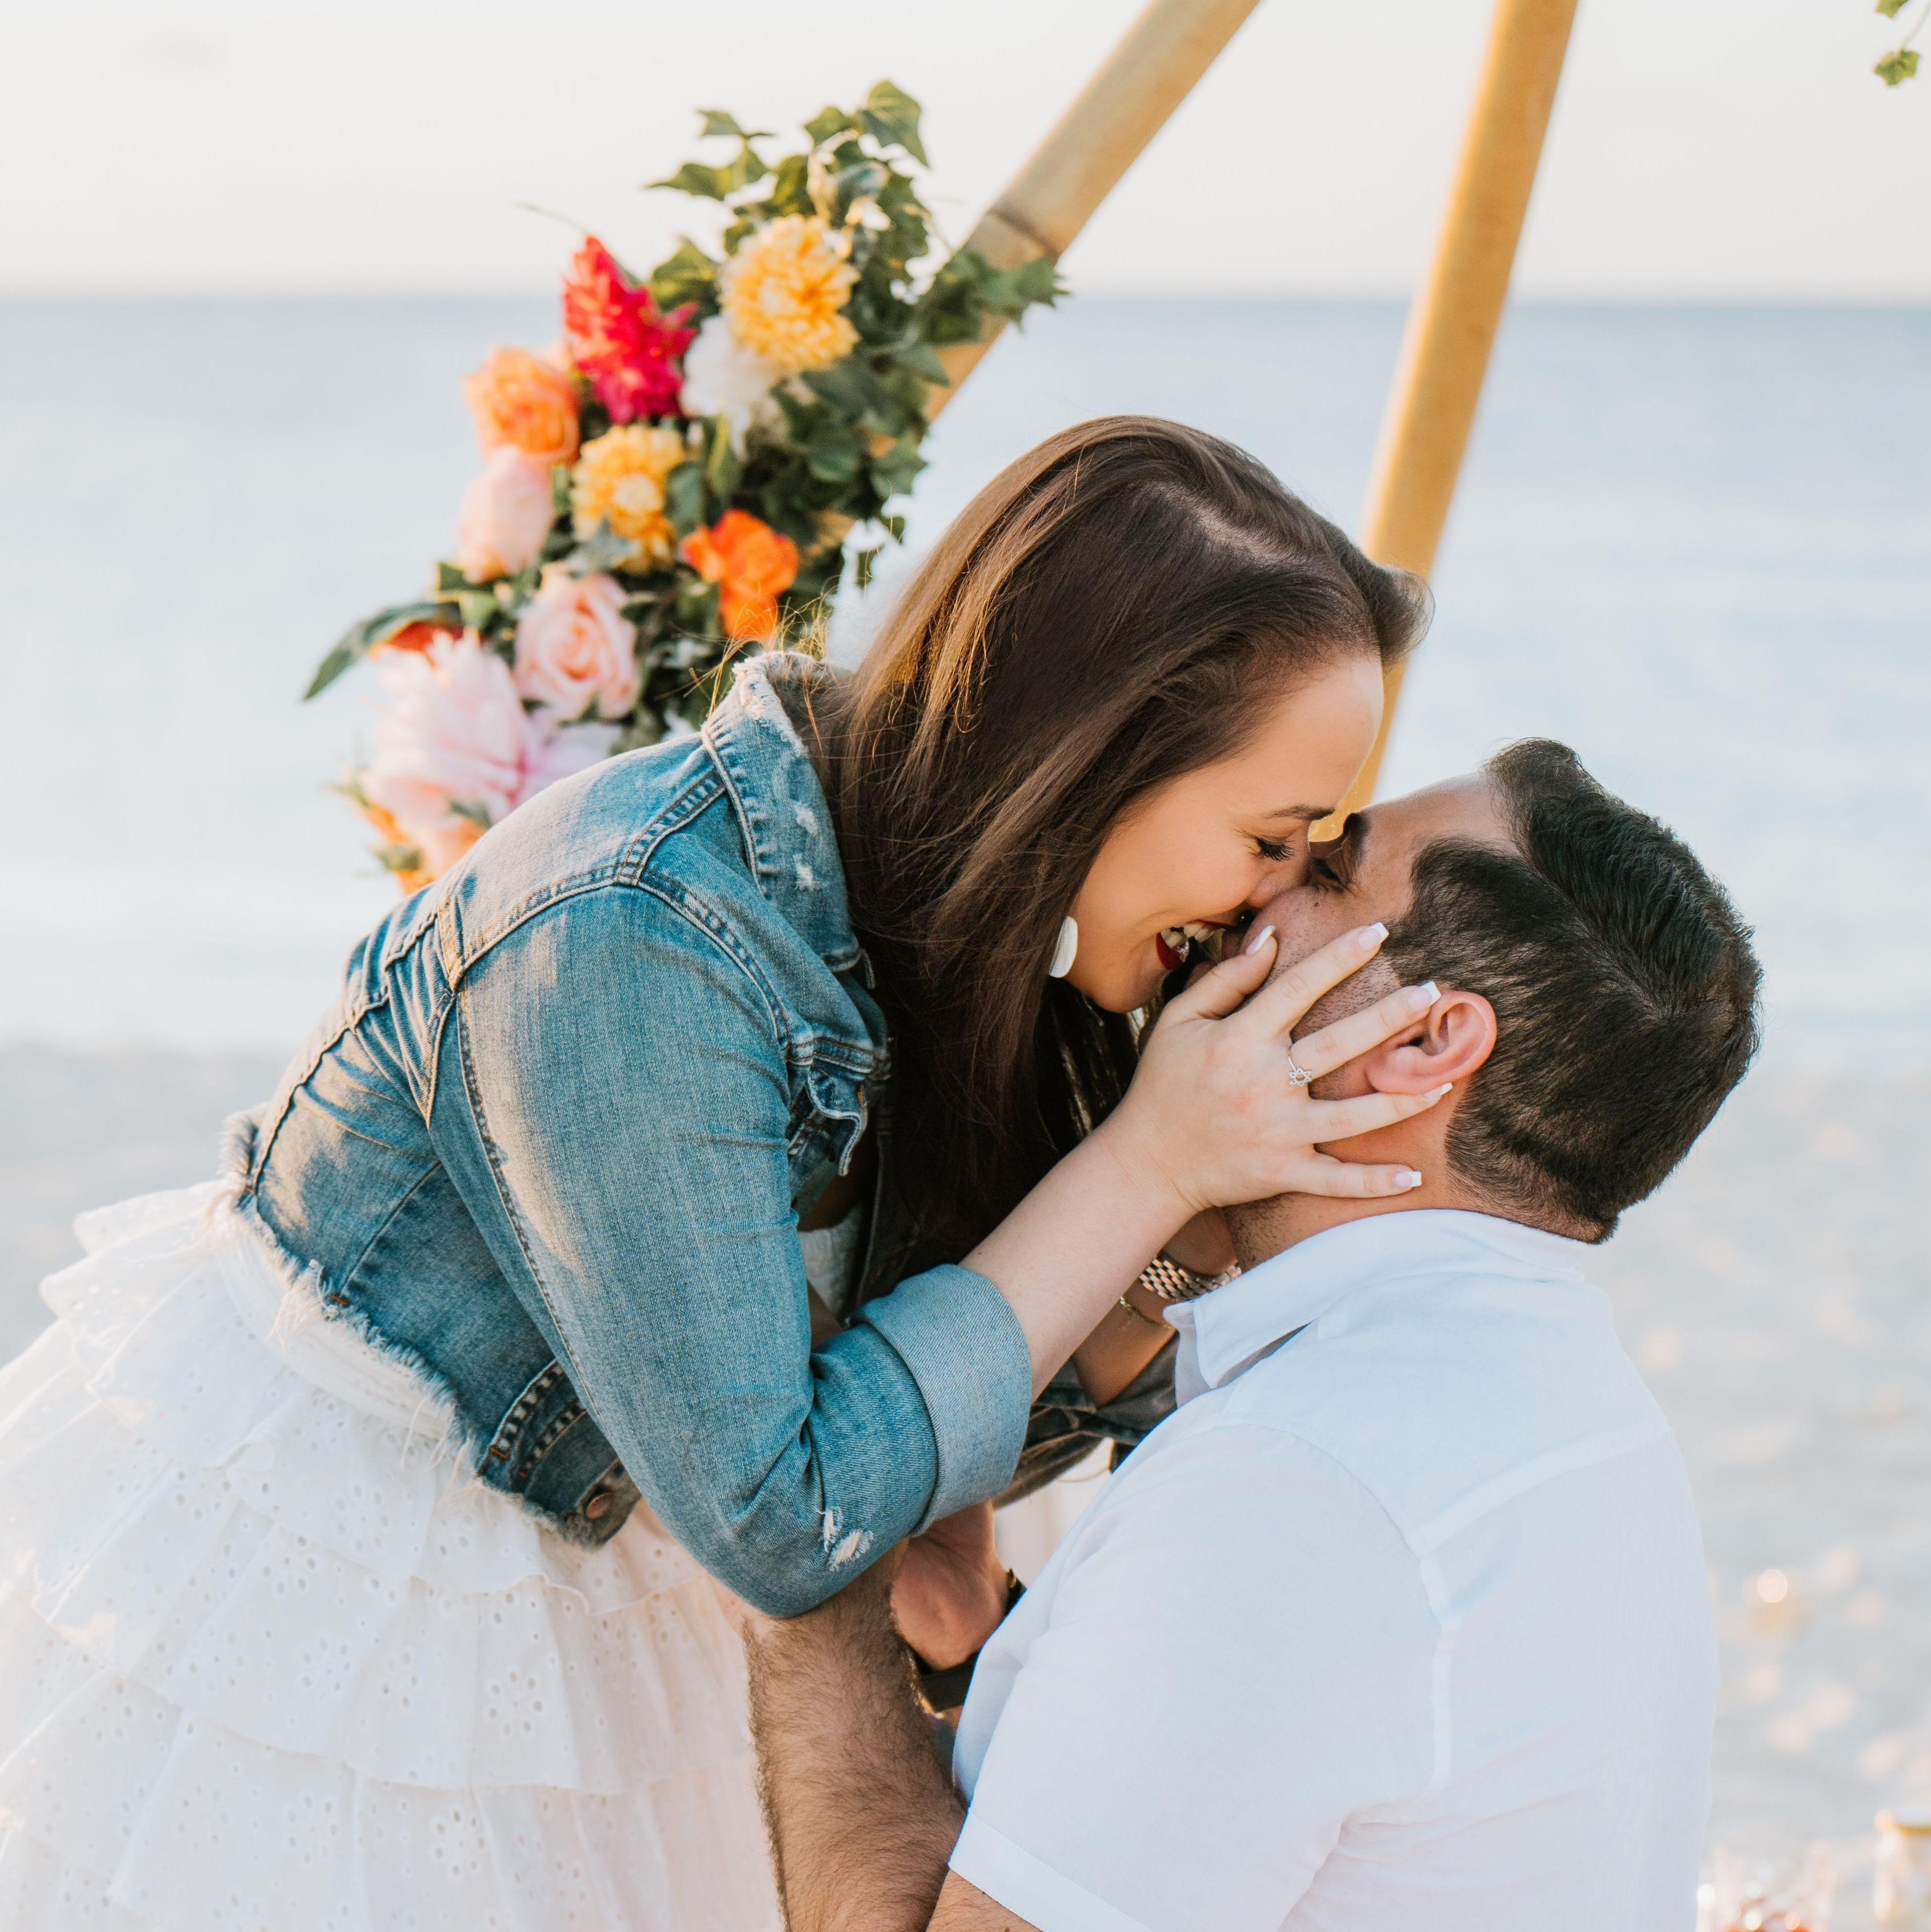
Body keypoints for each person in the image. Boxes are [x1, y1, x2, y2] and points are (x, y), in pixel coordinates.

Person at [0, 419, 1445, 1929]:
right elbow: (785, 1514)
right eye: (1273, 837)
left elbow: (935, 1422)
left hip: (633, 1582)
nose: (1275, 903)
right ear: (1091, 759)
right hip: (355, 1588)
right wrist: (1150, 1165)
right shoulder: (631, 931)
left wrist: (1179, 1234)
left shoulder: (1003, 947)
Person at [744, 741, 1763, 1932]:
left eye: (1325, 869)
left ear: (1426, 1042)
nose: (1250, 891)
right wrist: (985, 1654)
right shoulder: (1576, 1411)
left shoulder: (1301, 1481)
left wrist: (806, 1550)